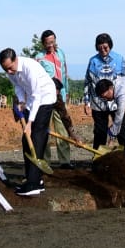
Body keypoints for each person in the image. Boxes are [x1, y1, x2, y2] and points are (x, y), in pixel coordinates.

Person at [0, 47, 57, 196]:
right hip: (31, 100)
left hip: (45, 98)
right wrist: (22, 102)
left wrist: (30, 123)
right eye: (6, 70)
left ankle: (34, 184)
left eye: (10, 68)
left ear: (15, 59)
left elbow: (38, 96)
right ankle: (33, 178)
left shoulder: (30, 67)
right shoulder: (10, 71)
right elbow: (18, 86)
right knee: (26, 140)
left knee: (37, 137)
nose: (9, 72)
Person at [36, 28, 77, 168]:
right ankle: (45, 161)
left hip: (60, 96)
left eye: (52, 42)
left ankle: (65, 161)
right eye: (48, 43)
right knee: (45, 130)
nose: (51, 45)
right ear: (43, 43)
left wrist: (66, 92)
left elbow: (65, 74)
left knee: (62, 129)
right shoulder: (39, 57)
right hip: (45, 98)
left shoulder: (61, 53)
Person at [83, 33, 125, 149]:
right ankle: (98, 158)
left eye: (105, 47)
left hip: (116, 102)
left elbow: (124, 81)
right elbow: (87, 82)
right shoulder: (93, 61)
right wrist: (86, 102)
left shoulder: (119, 59)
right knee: (100, 133)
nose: (103, 50)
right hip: (98, 104)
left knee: (122, 130)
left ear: (110, 46)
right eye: (100, 47)